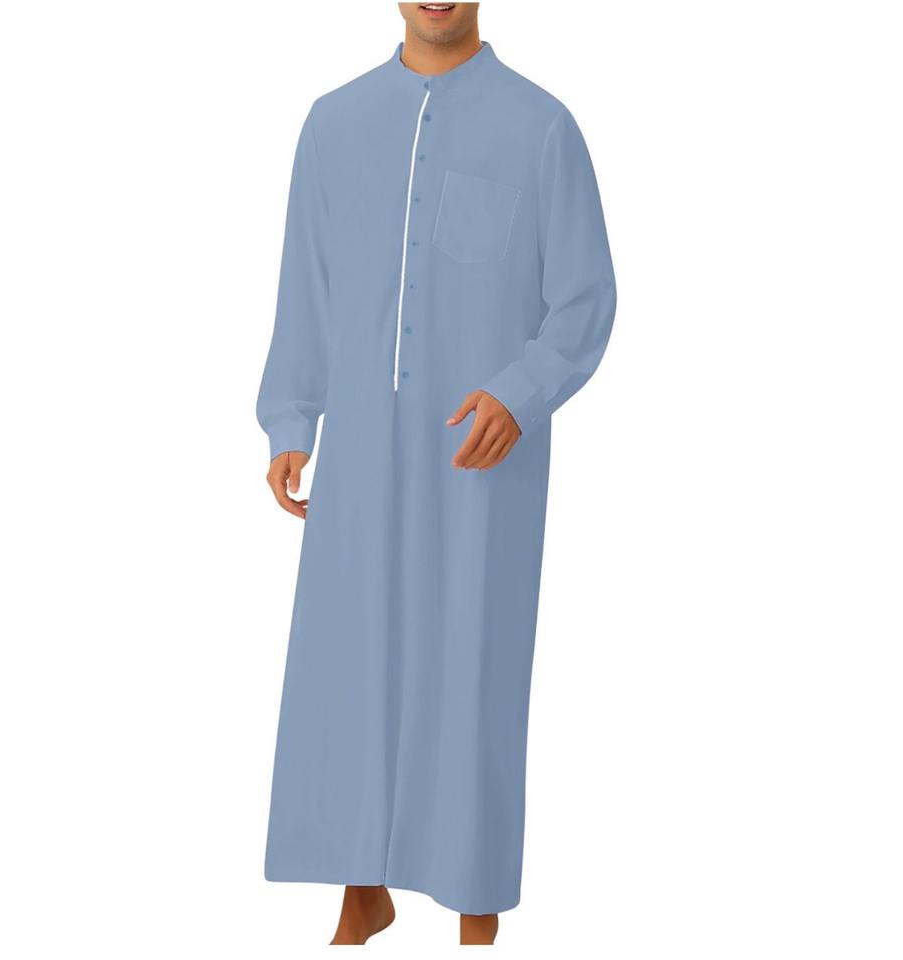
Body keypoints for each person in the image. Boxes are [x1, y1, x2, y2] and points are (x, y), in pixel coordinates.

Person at [256, 2, 616, 945]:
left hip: (477, 460)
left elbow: (585, 298)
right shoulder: (333, 125)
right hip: (362, 455)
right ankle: (361, 888)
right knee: (349, 660)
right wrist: (292, 416)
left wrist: (520, 393)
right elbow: (307, 284)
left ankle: (474, 908)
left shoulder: (542, 128)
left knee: (472, 669)